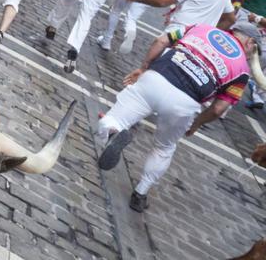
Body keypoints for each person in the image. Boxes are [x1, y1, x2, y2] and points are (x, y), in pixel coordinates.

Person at [97, 22, 260, 212]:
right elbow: (218, 109)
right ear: (249, 42)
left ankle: (112, 132)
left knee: (111, 120)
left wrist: (143, 68)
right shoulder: (242, 71)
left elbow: (161, 40)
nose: (251, 57)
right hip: (186, 101)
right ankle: (140, 193)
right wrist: (197, 123)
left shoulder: (202, 27)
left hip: (155, 78)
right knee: (164, 147)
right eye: (255, 51)